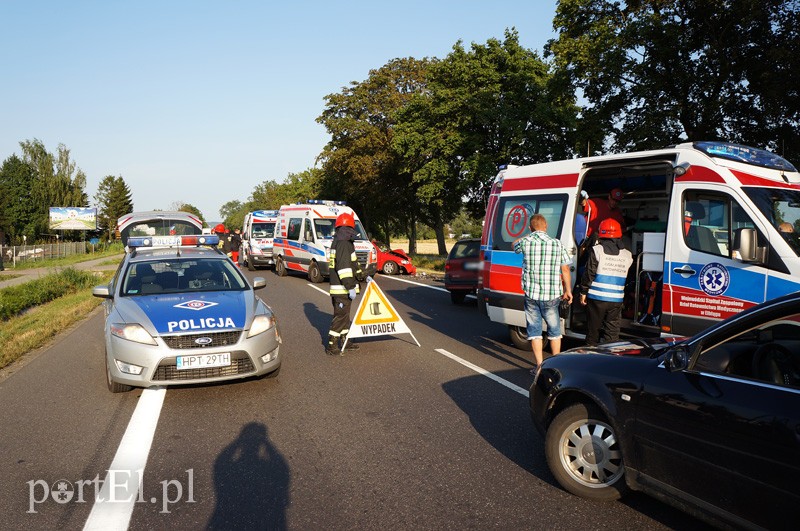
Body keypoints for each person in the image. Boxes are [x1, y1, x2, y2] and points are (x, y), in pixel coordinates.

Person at [513, 213, 573, 373]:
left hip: (532, 295)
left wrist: (530, 233)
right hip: (552, 295)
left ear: (530, 228)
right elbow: (565, 269)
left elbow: (514, 245)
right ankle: (556, 366)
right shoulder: (557, 244)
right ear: (546, 227)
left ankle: (539, 366)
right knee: (554, 330)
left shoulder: (526, 241)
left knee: (534, 331)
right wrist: (568, 290)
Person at [579, 218, 634, 346]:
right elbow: (628, 277)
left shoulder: (597, 250)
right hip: (616, 300)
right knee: (612, 335)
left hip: (596, 298)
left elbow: (589, 273)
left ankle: (591, 360)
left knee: (593, 333)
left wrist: (583, 292)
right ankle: (609, 362)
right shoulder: (627, 254)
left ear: (601, 233)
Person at [326, 212, 363, 356]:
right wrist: (350, 287)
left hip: (341, 289)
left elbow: (352, 263)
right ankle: (332, 345)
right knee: (340, 316)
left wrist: (362, 275)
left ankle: (346, 342)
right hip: (342, 289)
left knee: (345, 316)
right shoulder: (343, 243)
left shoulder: (341, 242)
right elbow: (344, 267)